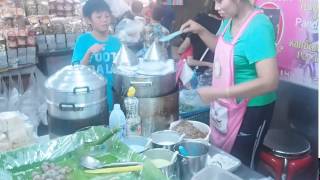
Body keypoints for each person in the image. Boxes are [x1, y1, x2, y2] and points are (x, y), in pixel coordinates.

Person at [180, 0, 279, 168]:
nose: (216, 8)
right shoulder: (229, 20)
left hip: (252, 109)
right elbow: (224, 49)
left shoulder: (258, 27)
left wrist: (219, 92)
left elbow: (270, 81)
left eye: (220, 1)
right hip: (227, 105)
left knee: (242, 164)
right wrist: (201, 31)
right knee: (225, 159)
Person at [72, 0, 121, 112]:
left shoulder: (116, 42)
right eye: (99, 17)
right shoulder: (83, 40)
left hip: (114, 96)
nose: (104, 20)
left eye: (107, 16)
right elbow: (76, 70)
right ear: (89, 20)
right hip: (92, 98)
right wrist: (88, 53)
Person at [178, 8, 221, 74]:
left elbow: (184, 46)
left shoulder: (200, 20)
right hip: (211, 67)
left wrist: (180, 51)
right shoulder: (222, 25)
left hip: (194, 68)